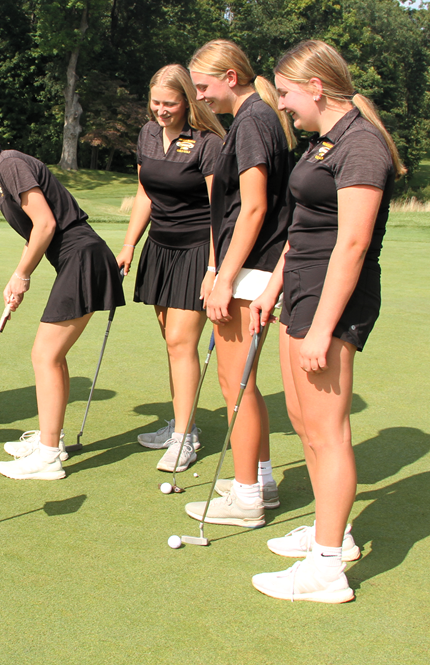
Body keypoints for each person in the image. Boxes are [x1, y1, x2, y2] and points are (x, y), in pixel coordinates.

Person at [247, 40, 402, 603]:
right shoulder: (323, 143)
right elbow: (306, 226)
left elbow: (353, 243)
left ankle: (327, 567)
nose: (281, 104)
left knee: (328, 430)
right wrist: (274, 285)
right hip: (304, 290)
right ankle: (326, 531)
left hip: (334, 300)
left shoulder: (362, 145)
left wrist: (320, 327)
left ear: (316, 87)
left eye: (286, 93)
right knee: (304, 419)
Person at [0, 114, 125, 480]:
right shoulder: (0, 179)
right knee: (53, 355)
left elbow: (47, 224)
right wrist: (19, 278)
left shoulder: (11, 164)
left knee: (45, 354)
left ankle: (49, 456)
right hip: (74, 259)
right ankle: (49, 439)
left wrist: (22, 274)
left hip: (83, 256)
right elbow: (35, 234)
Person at [183, 39, 296, 527]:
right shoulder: (257, 117)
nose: (200, 97)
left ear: (231, 77)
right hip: (251, 267)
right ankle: (261, 480)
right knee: (241, 380)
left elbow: (253, 207)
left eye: (204, 86)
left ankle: (247, 496)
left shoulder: (252, 121)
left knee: (237, 382)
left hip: (250, 269)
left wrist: (224, 277)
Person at [116, 64, 225, 472]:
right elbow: (145, 190)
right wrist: (130, 244)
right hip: (159, 248)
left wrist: (215, 267)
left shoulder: (208, 142)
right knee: (171, 341)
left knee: (181, 342)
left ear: (188, 102)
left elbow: (221, 210)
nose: (161, 111)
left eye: (170, 103)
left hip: (198, 249)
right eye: (156, 103)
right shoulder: (147, 134)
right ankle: (185, 424)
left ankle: (183, 439)